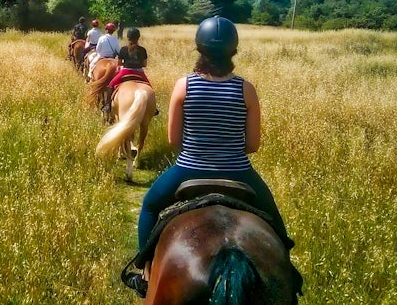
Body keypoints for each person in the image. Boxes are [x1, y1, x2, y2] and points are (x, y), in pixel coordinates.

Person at [123, 16, 302, 299]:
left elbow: (173, 140)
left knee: (149, 205)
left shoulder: (185, 86)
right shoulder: (246, 89)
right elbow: (252, 144)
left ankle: (143, 273)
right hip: (239, 172)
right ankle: (289, 275)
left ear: (200, 49)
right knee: (276, 224)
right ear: (233, 51)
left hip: (187, 169)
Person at [102, 27, 151, 113]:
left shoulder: (124, 49)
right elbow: (144, 64)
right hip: (139, 72)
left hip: (125, 72)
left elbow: (119, 63)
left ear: (128, 38)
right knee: (150, 88)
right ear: (138, 37)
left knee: (110, 85)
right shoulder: (142, 50)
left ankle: (107, 105)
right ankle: (153, 109)